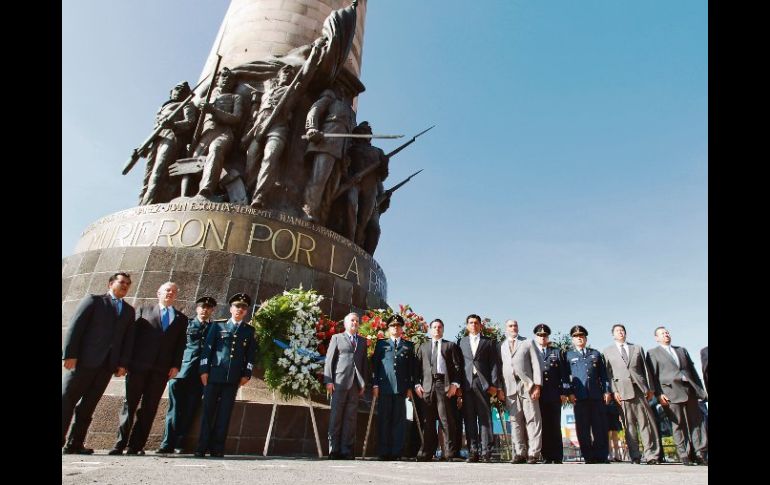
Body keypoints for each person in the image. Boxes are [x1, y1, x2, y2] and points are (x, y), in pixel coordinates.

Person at [107, 282, 187, 455]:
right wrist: (125, 362)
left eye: (173, 291)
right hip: (138, 366)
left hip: (161, 370)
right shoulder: (144, 310)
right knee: (130, 405)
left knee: (150, 408)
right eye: (167, 290)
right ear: (158, 293)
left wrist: (175, 365)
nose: (170, 293)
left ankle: (136, 445)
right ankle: (120, 444)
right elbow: (132, 338)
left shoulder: (181, 319)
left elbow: (180, 345)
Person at [62, 272, 136, 454]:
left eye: (128, 283)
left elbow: (127, 340)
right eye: (121, 282)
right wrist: (70, 354)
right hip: (83, 361)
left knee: (88, 406)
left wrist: (122, 364)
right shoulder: (94, 301)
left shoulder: (128, 310)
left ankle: (75, 443)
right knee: (66, 400)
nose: (125, 285)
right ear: (111, 283)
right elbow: (76, 326)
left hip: (106, 366)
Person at [195, 293, 257, 458]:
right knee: (208, 412)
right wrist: (203, 370)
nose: (240, 310)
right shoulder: (217, 326)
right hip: (214, 375)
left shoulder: (249, 331)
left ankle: (217, 448)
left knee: (224, 414)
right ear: (231, 308)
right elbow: (208, 349)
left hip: (233, 378)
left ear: (246, 312)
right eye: (237, 306)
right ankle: (201, 447)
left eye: (243, 308)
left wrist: (247, 374)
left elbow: (250, 355)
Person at [157, 296, 217, 454]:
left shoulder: (214, 328)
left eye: (209, 308)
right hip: (181, 372)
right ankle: (166, 442)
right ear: (197, 308)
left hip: (199, 375)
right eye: (202, 307)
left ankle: (179, 442)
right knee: (174, 409)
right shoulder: (187, 323)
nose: (205, 310)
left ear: (212, 310)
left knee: (190, 410)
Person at [646, 326, 708, 466]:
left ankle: (700, 453)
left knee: (696, 424)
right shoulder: (653, 353)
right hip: (670, 393)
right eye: (662, 333)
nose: (666, 335)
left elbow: (693, 371)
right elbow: (652, 376)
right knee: (677, 424)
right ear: (657, 338)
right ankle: (684, 454)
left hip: (689, 391)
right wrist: (659, 394)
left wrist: (700, 390)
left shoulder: (681, 350)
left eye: (667, 332)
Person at [602, 323, 661, 464]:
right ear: (613, 335)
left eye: (622, 330)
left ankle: (651, 455)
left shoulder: (637, 348)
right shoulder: (607, 351)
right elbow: (608, 374)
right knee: (629, 426)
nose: (620, 332)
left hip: (640, 390)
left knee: (645, 424)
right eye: (617, 331)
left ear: (626, 333)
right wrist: (613, 391)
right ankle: (635, 455)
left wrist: (650, 389)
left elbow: (646, 369)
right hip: (622, 392)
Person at [302, 80, 358, 223]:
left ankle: (321, 215)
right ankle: (308, 209)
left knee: (331, 187)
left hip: (342, 152)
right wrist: (311, 128)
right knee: (319, 179)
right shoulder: (330, 98)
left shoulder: (351, 114)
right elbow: (315, 110)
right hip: (326, 143)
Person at [243, 65, 296, 208]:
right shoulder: (267, 91)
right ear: (278, 75)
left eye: (291, 73)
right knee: (251, 163)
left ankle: (259, 197)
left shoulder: (291, 90)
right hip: (259, 128)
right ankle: (244, 194)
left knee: (270, 158)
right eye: (285, 72)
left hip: (279, 127)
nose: (288, 74)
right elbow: (257, 111)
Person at [138, 81, 197, 205]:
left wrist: (174, 125)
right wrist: (144, 146)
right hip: (156, 139)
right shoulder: (162, 108)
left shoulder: (187, 104)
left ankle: (149, 205)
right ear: (171, 92)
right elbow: (155, 128)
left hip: (172, 137)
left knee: (158, 173)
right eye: (177, 88)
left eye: (183, 90)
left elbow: (190, 123)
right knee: (147, 177)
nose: (179, 91)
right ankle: (141, 205)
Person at [191, 67, 244, 199]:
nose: (226, 80)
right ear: (217, 80)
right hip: (206, 134)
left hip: (224, 132)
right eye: (223, 77)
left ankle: (206, 190)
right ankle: (186, 194)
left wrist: (213, 110)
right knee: (192, 162)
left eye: (229, 78)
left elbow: (236, 118)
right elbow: (195, 101)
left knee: (216, 149)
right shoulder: (207, 97)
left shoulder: (235, 97)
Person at [414, 319, 462, 462]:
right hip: (427, 386)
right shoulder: (423, 347)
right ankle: (427, 452)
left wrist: (455, 384)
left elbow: (457, 367)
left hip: (443, 384)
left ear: (443, 329)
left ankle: (448, 452)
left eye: (439, 327)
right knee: (428, 421)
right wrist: (417, 384)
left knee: (445, 420)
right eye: (434, 327)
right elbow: (417, 368)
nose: (437, 329)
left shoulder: (450, 346)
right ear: (430, 329)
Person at [496, 319, 543, 464]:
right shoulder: (501, 346)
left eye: (515, 325)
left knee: (532, 419)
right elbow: (499, 368)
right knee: (515, 421)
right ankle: (519, 453)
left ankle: (533, 453)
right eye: (510, 326)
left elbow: (537, 364)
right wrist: (500, 388)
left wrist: (537, 385)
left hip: (527, 385)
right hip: (509, 387)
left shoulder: (528, 342)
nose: (513, 327)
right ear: (506, 329)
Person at [564, 325, 611, 464]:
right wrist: (569, 393)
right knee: (583, 429)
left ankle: (601, 455)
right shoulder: (568, 355)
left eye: (582, 336)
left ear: (585, 338)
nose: (579, 338)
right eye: (576, 336)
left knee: (600, 427)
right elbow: (566, 377)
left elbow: (603, 375)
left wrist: (607, 391)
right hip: (579, 397)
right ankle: (589, 457)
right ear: (572, 339)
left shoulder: (595, 353)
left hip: (596, 396)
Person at [323, 312, 369, 459]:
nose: (354, 323)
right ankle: (334, 450)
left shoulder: (362, 341)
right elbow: (329, 360)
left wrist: (363, 383)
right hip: (339, 382)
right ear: (345, 323)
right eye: (352, 320)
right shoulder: (337, 338)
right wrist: (328, 380)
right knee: (336, 416)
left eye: (357, 321)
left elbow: (364, 364)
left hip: (355, 385)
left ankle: (346, 450)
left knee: (350, 418)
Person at [371, 314, 416, 460]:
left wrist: (410, 387)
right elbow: (375, 366)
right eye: (392, 326)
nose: (395, 328)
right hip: (384, 387)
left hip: (401, 388)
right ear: (388, 328)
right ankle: (384, 451)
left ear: (401, 328)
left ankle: (396, 452)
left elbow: (411, 369)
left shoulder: (408, 346)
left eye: (398, 326)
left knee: (399, 421)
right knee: (384, 419)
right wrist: (375, 384)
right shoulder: (381, 344)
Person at [458, 314, 499, 463]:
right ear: (467, 325)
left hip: (483, 384)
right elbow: (458, 365)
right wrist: (458, 385)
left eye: (476, 323)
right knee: (469, 419)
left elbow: (494, 364)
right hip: (467, 383)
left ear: (480, 325)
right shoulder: (461, 342)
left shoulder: (488, 342)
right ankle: (473, 452)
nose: (473, 325)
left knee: (485, 419)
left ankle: (486, 452)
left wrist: (494, 384)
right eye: (470, 323)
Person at [342, 121, 389, 246]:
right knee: (351, 204)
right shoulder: (350, 149)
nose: (364, 134)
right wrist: (349, 176)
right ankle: (350, 238)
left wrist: (384, 164)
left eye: (367, 133)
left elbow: (383, 176)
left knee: (364, 220)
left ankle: (356, 242)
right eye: (361, 132)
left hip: (371, 187)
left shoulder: (378, 152)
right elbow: (343, 166)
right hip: (354, 184)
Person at [531, 324, 569, 464]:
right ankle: (546, 455)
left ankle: (557, 456)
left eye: (545, 335)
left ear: (548, 337)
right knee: (543, 425)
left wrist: (564, 392)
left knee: (555, 424)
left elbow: (564, 374)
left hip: (554, 394)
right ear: (536, 337)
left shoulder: (557, 352)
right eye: (540, 335)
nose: (542, 337)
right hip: (539, 394)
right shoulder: (532, 351)